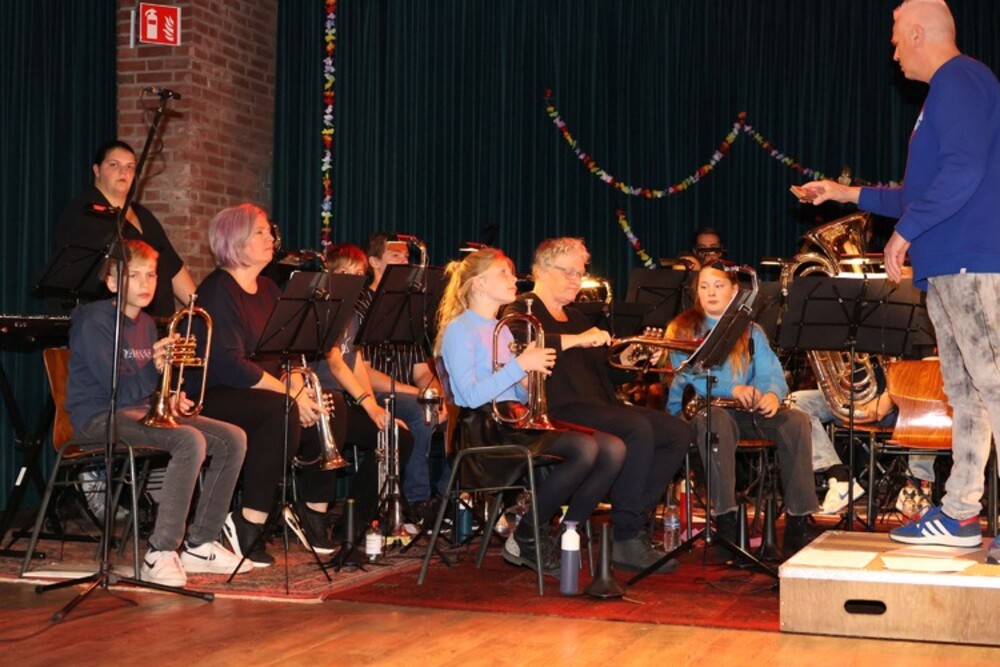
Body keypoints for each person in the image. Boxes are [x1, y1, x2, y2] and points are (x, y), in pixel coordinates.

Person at [797, 0, 999, 560]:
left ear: (916, 33)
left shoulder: (960, 79)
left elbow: (964, 170)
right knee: (967, 395)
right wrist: (843, 194)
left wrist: (904, 233)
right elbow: (919, 193)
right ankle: (960, 514)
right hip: (951, 267)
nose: (892, 51)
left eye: (894, 38)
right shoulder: (947, 91)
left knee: (993, 386)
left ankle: (962, 512)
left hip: (972, 262)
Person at [66, 239, 249, 587]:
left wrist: (171, 398)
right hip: (98, 418)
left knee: (232, 438)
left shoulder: (147, 323)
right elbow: (117, 391)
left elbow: (143, 389)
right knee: (188, 440)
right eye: (134, 275)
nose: (145, 283)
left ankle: (201, 544)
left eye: (150, 275)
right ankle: (160, 551)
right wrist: (154, 366)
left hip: (137, 412)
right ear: (111, 282)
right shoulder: (94, 321)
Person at [500, 237, 689, 573]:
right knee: (636, 429)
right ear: (541, 270)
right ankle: (626, 536)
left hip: (598, 404)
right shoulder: (522, 311)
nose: (576, 279)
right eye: (569, 272)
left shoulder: (576, 317)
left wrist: (631, 360)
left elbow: (603, 374)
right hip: (559, 407)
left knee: (677, 431)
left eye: (580, 272)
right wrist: (581, 339)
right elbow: (527, 345)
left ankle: (634, 520)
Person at [436, 247, 625, 576]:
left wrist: (528, 381)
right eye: (504, 273)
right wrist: (521, 366)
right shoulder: (460, 329)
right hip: (484, 430)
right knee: (584, 448)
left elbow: (512, 389)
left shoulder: (502, 328)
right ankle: (527, 535)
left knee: (613, 449)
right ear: (478, 284)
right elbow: (469, 397)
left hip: (513, 420)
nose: (514, 279)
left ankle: (564, 534)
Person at [193, 204, 336, 567]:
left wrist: (299, 385)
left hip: (260, 391)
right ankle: (248, 520)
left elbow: (285, 352)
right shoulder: (218, 289)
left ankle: (313, 514)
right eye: (259, 232)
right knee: (281, 410)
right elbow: (230, 365)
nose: (270, 237)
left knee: (330, 406)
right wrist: (289, 393)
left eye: (268, 231)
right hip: (213, 395)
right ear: (234, 240)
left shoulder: (270, 289)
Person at [666, 263, 820, 557]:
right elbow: (689, 377)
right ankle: (726, 523)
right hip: (697, 413)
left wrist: (772, 394)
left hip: (742, 413)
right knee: (717, 420)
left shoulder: (751, 331)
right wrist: (733, 389)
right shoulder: (683, 329)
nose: (711, 292)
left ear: (735, 291)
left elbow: (771, 373)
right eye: (704, 287)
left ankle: (798, 524)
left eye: (719, 286)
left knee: (796, 421)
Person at [312, 243, 414, 539]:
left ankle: (354, 521)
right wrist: (369, 406)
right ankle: (316, 515)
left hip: (344, 402)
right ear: (329, 274)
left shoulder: (352, 315)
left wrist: (375, 411)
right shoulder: (324, 309)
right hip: (320, 402)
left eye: (358, 274)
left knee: (397, 437)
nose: (353, 279)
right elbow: (335, 365)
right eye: (345, 273)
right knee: (340, 410)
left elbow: (354, 362)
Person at [356, 232, 448, 519]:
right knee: (421, 412)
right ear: (374, 262)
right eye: (395, 255)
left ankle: (448, 498)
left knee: (461, 412)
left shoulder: (410, 309)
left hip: (408, 393)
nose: (404, 261)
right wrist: (420, 395)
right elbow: (363, 372)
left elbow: (421, 371)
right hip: (368, 394)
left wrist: (436, 394)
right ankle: (416, 501)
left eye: (406, 256)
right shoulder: (359, 306)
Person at [54, 140, 196, 317]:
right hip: (109, 321)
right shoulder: (84, 211)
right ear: (97, 170)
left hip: (154, 321)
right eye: (114, 165)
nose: (124, 172)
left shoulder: (143, 215)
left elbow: (172, 265)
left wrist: (199, 308)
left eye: (130, 167)